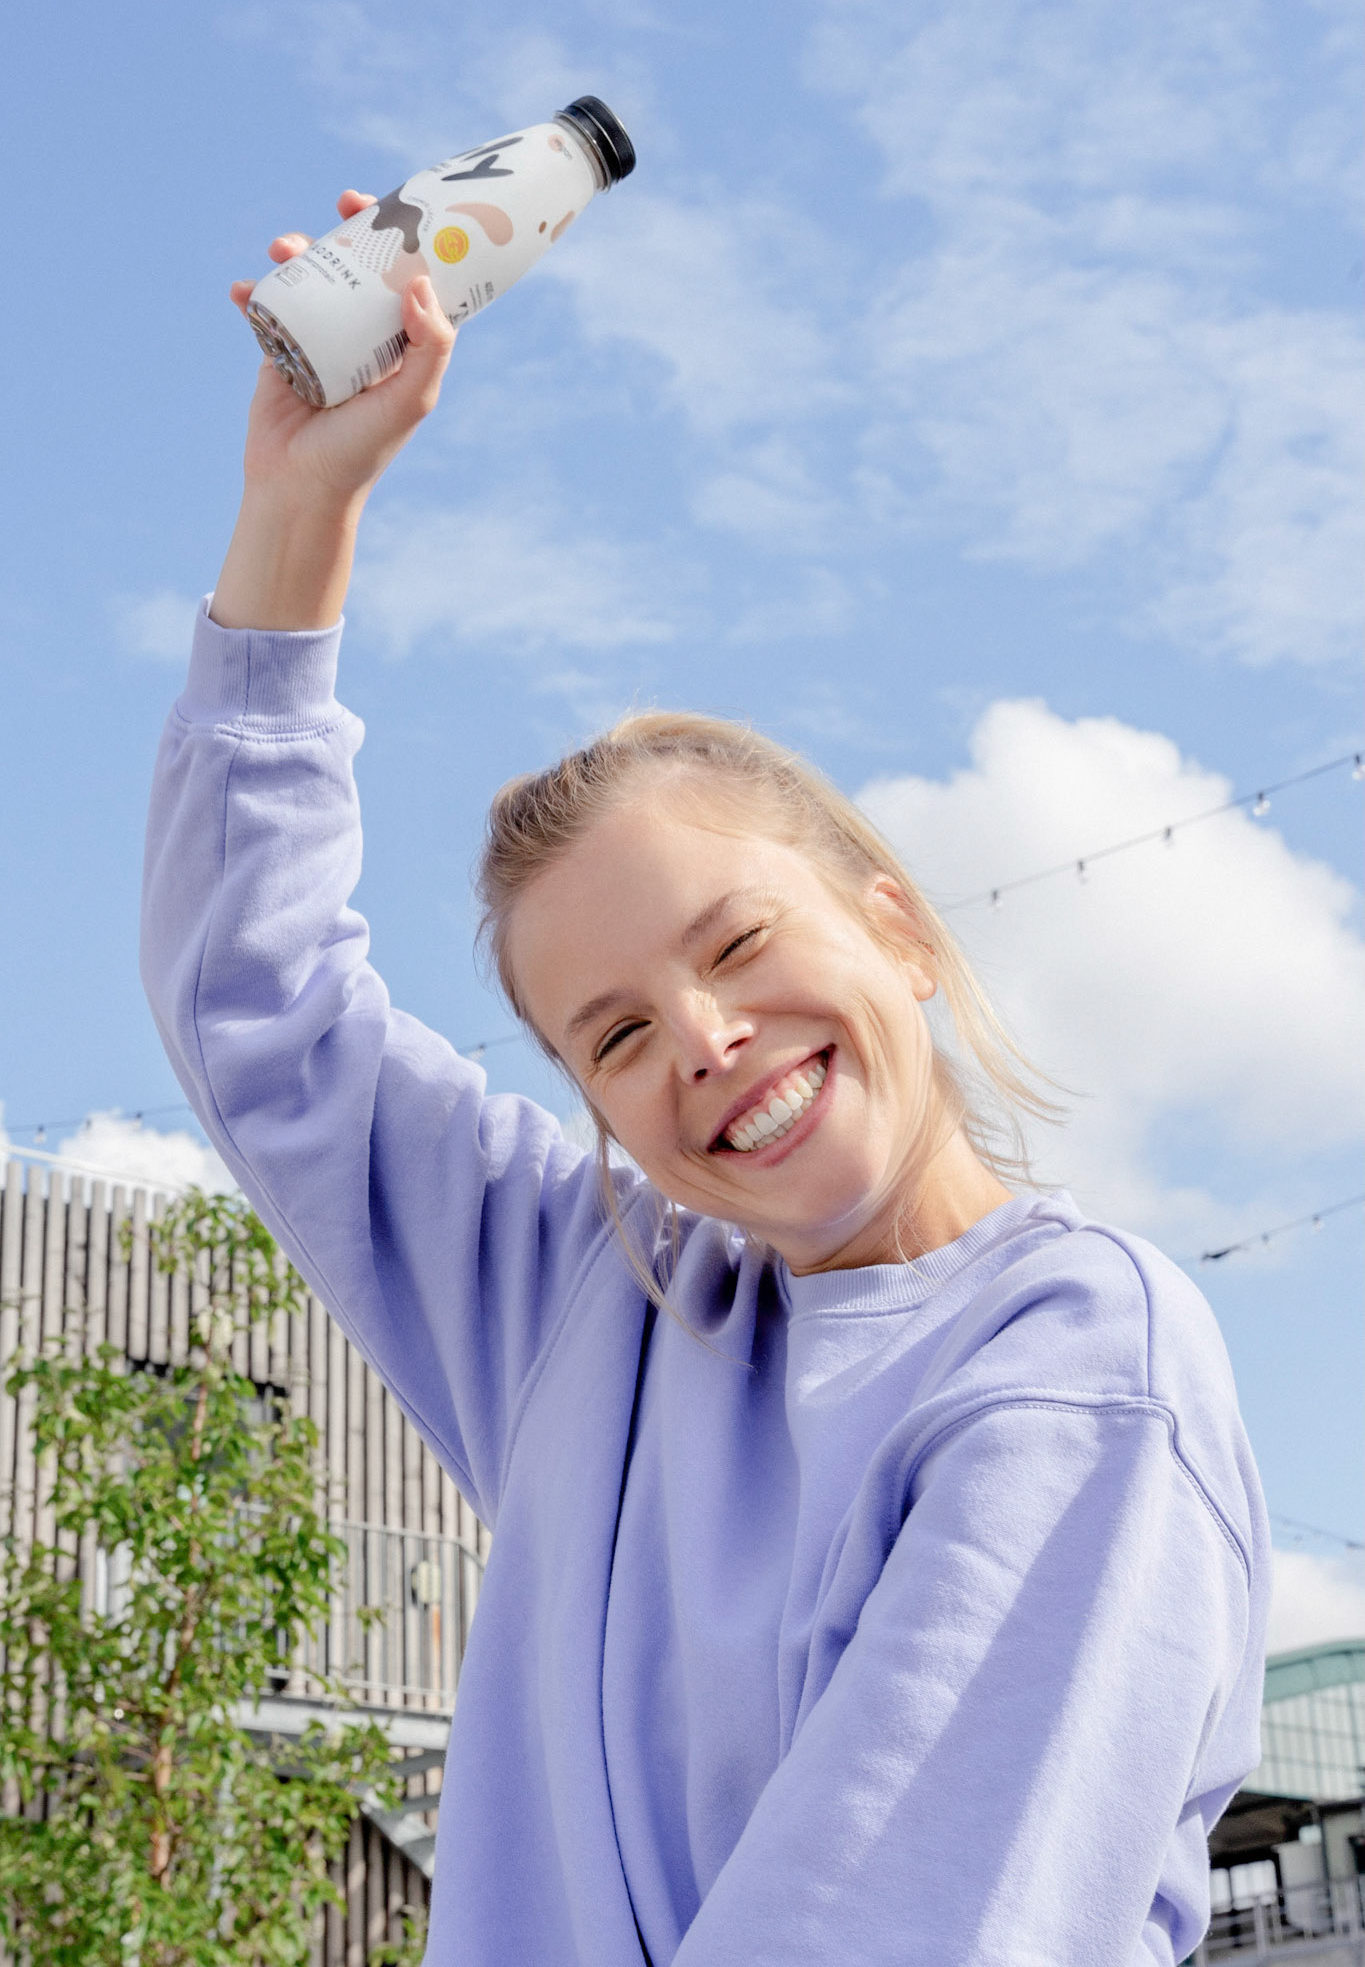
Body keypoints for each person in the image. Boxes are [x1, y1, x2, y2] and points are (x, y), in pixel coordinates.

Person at [141, 191, 1271, 1967]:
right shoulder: (592, 1304)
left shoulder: (1075, 1362)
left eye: (737, 944)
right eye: (613, 1036)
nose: (703, 1039)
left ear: (896, 925)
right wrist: (298, 508)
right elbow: (255, 1004)